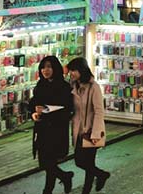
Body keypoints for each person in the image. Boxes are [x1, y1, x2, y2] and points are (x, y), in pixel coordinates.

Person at [30, 56, 74, 194]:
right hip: (42, 129)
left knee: (50, 162)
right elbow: (33, 104)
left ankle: (47, 190)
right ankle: (65, 177)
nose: (46, 70)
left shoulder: (64, 87)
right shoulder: (40, 85)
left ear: (55, 68)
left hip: (56, 129)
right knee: (45, 163)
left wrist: (46, 110)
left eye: (49, 67)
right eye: (43, 67)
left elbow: (68, 108)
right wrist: (34, 113)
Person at [66, 58, 110, 194]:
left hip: (91, 130)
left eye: (74, 70)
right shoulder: (73, 86)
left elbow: (99, 111)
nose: (71, 73)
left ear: (82, 70)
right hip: (78, 129)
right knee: (79, 161)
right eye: (70, 70)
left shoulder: (93, 87)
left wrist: (95, 133)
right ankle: (101, 175)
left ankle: (86, 190)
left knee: (87, 162)